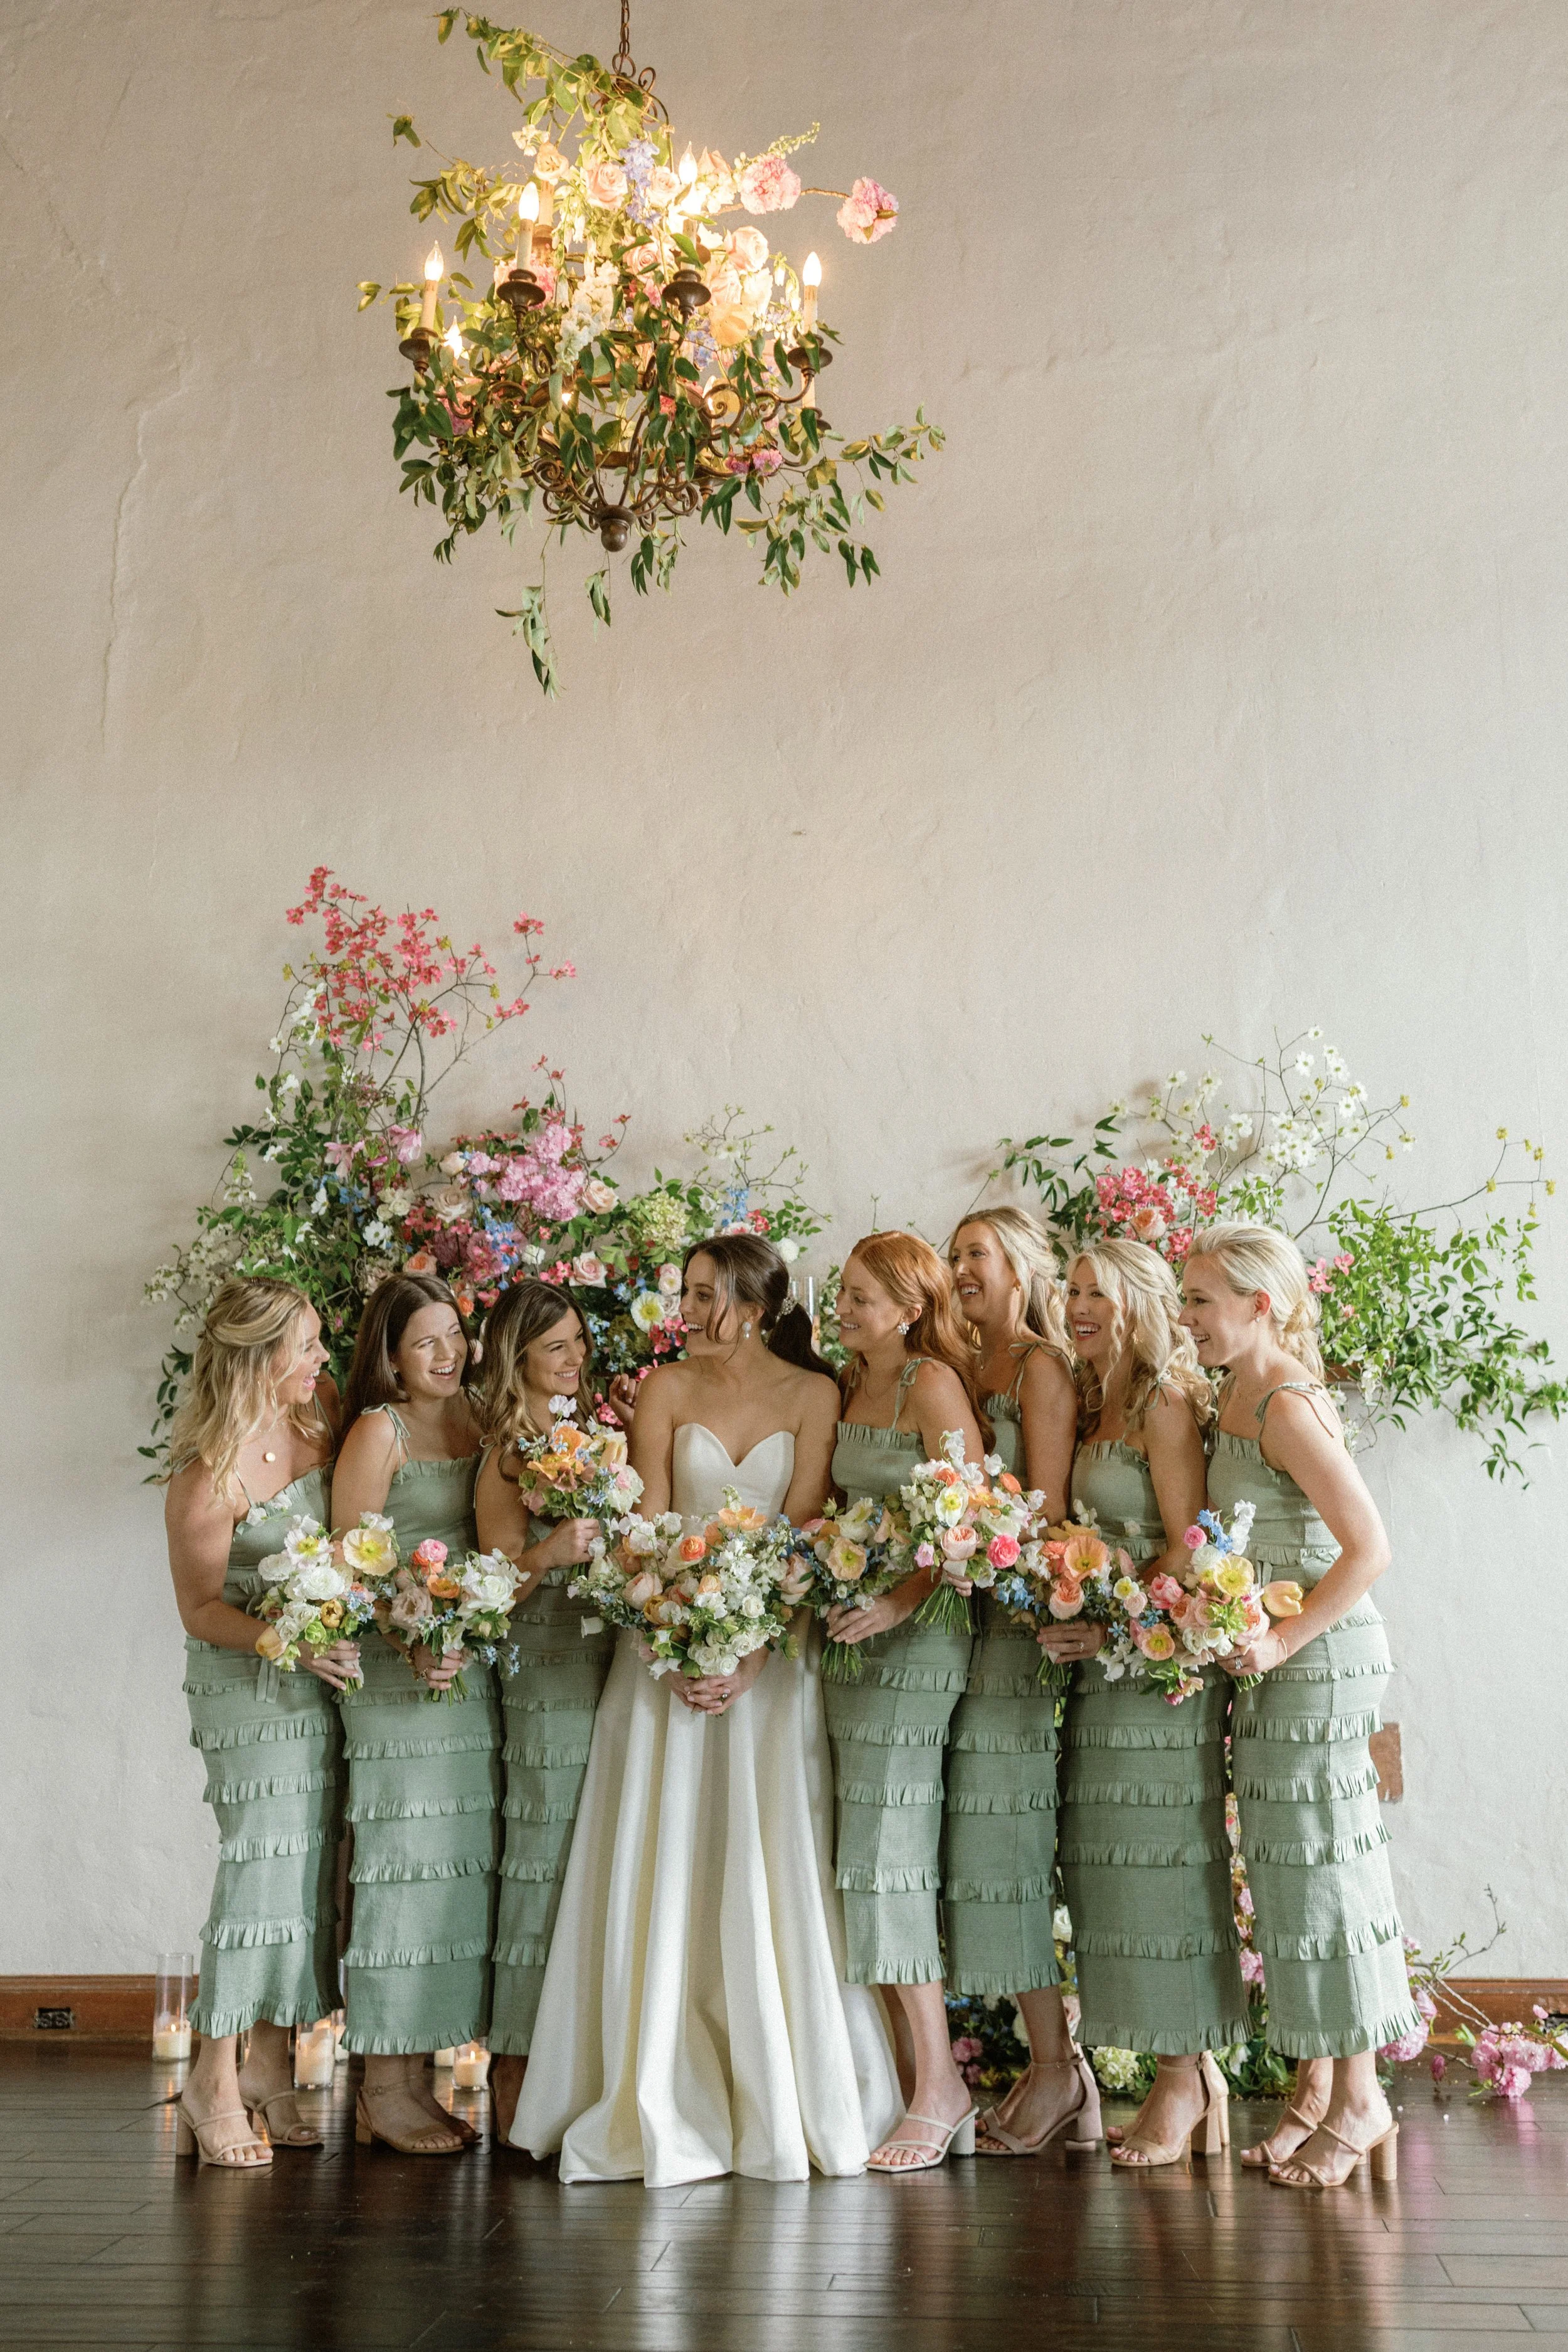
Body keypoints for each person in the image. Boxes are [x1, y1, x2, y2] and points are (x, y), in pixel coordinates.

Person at [512, 1236, 900, 2183]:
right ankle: (646, 2081)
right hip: (663, 1647)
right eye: (683, 1292)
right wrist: (673, 1637)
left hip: (774, 1657)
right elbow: (642, 1525)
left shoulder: (815, 1395)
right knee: (661, 1847)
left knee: (766, 1851)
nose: (685, 1308)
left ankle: (784, 2085)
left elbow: (807, 1530)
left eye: (702, 1293)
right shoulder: (664, 1390)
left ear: (754, 1302)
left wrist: (755, 1647)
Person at [1181, 1224, 1419, 2189]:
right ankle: (1316, 2092)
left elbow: (1369, 1549)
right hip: (1272, 1656)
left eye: (1200, 1300)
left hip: (1318, 1661)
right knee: (1285, 1871)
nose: (1185, 1316)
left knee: (1323, 1868)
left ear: (1259, 1306)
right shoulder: (1232, 1388)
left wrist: (1278, 1639)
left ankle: (1363, 2098)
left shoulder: (1283, 1402)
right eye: (1186, 1297)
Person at [1046, 1239, 1248, 2166]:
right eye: (1072, 1288)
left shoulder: (1165, 1402)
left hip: (1161, 1672)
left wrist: (1116, 1600)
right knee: (1112, 1874)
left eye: (1097, 1290)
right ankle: (1182, 2071)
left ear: (1139, 1299)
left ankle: (1184, 2072)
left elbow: (1190, 1542)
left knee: (1165, 1869)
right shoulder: (1095, 1404)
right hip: (1104, 1670)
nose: (1078, 1303)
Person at [164, 1277, 348, 2168]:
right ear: (259, 1356)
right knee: (256, 1874)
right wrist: (288, 1639)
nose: (320, 1360)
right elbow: (200, 1607)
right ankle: (211, 2073)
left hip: (319, 1680)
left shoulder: (317, 1425)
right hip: (247, 1682)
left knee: (308, 1870)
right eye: (306, 1346)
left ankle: (272, 2061)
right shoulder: (206, 1471)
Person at [822, 1231, 987, 2174]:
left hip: (918, 1638)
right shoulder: (850, 1383)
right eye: (842, 1293)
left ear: (912, 1307)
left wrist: (892, 1602)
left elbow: (964, 1530)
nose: (844, 1309)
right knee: (864, 1857)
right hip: (852, 1639)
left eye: (862, 1298)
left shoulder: (931, 1385)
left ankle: (941, 2082)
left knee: (886, 1855)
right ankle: (904, 2075)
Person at [943, 1209, 1102, 2159]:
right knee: (977, 1855)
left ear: (1018, 1267)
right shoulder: (966, 1365)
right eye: (954, 1254)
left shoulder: (1040, 1365)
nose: (961, 1268)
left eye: (976, 1255)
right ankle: (1054, 2068)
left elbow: (1041, 1512)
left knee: (1003, 1847)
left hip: (1015, 1634)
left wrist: (976, 1546)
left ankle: (1058, 2069)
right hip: (957, 1626)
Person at [331, 1272, 495, 2157]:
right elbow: (351, 1561)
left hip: (467, 1674)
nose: (448, 1352)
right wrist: (411, 1637)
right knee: (398, 1866)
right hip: (398, 1683)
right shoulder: (377, 1430)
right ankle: (380, 2082)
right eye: (426, 1340)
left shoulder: (477, 1415)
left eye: (456, 1332)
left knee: (450, 1873)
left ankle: (424, 2075)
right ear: (391, 1354)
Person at [472, 1281, 616, 2144]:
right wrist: (551, 1550)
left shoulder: (591, 1437)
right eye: (555, 1346)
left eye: (576, 1344)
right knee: (538, 1855)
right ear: (517, 1354)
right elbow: (497, 1580)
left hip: (602, 1658)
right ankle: (515, 2060)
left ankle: (578, 2057)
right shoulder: (505, 1450)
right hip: (542, 1664)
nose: (573, 1359)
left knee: (588, 1855)